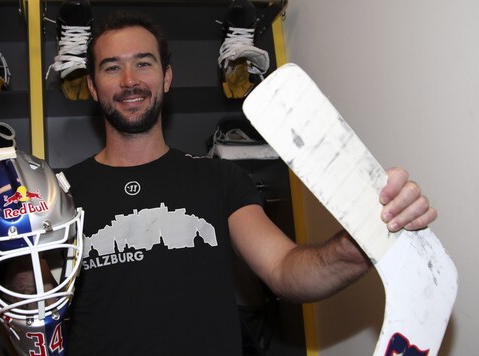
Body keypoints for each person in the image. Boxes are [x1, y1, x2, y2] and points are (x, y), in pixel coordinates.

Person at [59, 10, 437, 355]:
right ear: (92, 86)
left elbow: (285, 270)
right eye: (112, 68)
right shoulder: (59, 193)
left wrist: (354, 246)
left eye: (143, 63)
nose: (129, 81)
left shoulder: (219, 178)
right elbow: (30, 308)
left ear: (167, 77)